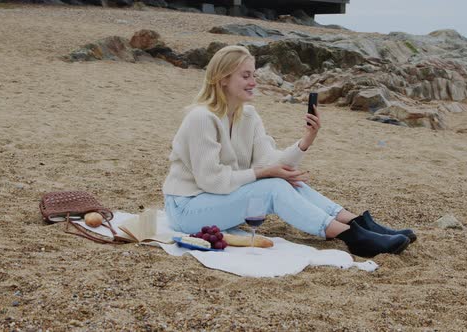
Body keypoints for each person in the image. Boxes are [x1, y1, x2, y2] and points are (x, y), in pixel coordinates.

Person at [162, 45, 416, 258]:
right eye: (246, 76)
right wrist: (264, 173)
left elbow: (273, 162)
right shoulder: (201, 118)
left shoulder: (247, 116)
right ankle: (350, 236)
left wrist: (306, 139)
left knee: (284, 181)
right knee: (273, 186)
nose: (253, 82)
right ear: (224, 79)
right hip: (187, 209)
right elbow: (212, 180)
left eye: (254, 75)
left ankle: (355, 223)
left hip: (217, 202)